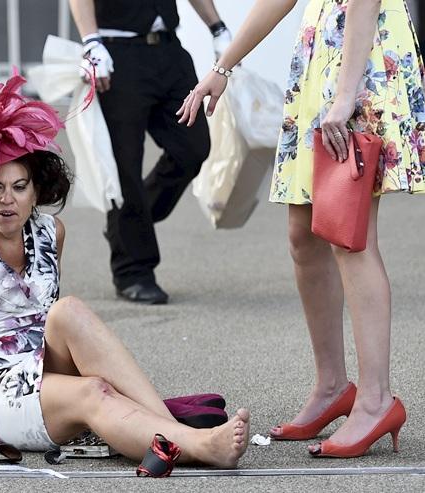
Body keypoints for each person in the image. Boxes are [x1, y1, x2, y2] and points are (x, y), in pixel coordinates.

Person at [0, 66, 251, 468]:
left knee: (68, 310)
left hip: (39, 369)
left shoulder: (51, 232)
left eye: (19, 187)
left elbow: (48, 322)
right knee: (92, 391)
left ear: (35, 191)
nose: (6, 200)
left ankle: (166, 429)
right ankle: (196, 445)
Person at [179, 0, 421, 457]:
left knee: (351, 238)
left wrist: (345, 97)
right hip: (321, 57)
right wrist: (223, 66)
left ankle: (375, 401)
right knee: (303, 235)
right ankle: (332, 387)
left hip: (358, 57)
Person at [68, 0, 232, 304]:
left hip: (168, 51)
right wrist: (91, 42)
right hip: (117, 52)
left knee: (193, 147)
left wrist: (217, 27)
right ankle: (133, 272)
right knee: (124, 165)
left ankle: (126, 228)